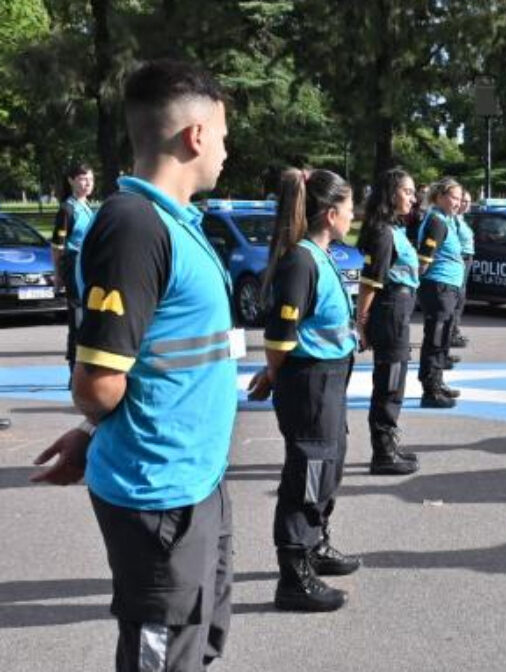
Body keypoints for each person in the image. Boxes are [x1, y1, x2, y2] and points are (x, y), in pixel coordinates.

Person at [31, 60, 237, 671]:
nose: (227, 149)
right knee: (162, 658)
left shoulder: (173, 222)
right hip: (161, 491)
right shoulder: (134, 226)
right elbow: (96, 382)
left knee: (195, 648)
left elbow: (146, 361)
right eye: (223, 134)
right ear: (195, 135)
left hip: (194, 479)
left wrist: (93, 437)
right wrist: (99, 431)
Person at [249, 168, 360, 612]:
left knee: (330, 463)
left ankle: (315, 544)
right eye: (350, 209)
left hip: (327, 381)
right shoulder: (301, 259)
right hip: (309, 383)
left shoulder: (321, 252)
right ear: (331, 214)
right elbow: (279, 335)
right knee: (309, 472)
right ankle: (293, 575)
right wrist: (273, 374)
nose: (354, 216)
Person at [355, 168, 421, 476]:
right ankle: (382, 452)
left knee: (395, 380)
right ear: (391, 193)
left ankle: (389, 444)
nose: (413, 197)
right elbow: (370, 282)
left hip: (400, 310)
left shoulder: (394, 228)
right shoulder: (382, 231)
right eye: (407, 191)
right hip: (390, 310)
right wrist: (362, 322)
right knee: (390, 382)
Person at [415, 177, 465, 407]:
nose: (458, 202)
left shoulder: (446, 219)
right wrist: (418, 280)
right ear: (440, 197)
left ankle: (438, 381)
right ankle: (430, 390)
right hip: (438, 286)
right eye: (454, 197)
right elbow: (425, 256)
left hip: (448, 286)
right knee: (436, 338)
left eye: (459, 197)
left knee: (443, 337)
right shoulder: (436, 221)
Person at [50, 162, 96, 382]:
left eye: (90, 179)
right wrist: (58, 274)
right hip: (72, 264)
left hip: (89, 266)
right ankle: (74, 371)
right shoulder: (67, 209)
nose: (88, 184)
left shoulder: (88, 206)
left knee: (89, 318)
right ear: (71, 181)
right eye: (82, 179)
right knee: (77, 318)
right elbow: (58, 245)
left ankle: (87, 367)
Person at [451, 189, 475, 349]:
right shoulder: (453, 220)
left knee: (461, 297)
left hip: (467, 258)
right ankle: (451, 333)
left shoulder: (462, 219)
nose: (465, 204)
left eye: (468, 201)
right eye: (463, 200)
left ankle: (454, 331)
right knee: (457, 297)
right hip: (461, 259)